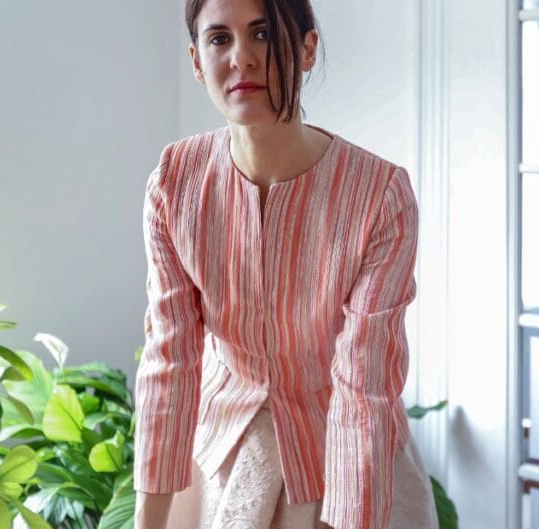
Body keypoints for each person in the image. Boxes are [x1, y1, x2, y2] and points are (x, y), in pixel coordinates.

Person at [133, 1, 438, 528]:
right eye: (219, 39)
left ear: (307, 48)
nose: (242, 58)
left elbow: (363, 386)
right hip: (224, 458)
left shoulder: (380, 196)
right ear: (196, 61)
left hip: (346, 463)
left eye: (262, 34)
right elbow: (170, 362)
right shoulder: (174, 183)